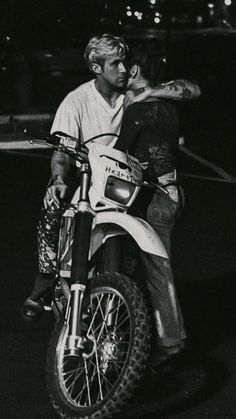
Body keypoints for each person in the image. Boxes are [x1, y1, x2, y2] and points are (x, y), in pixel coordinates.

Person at [22, 33, 201, 321]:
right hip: (87, 180)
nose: (123, 69)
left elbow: (192, 90)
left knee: (137, 255)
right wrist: (57, 177)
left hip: (122, 184)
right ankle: (45, 284)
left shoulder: (131, 94)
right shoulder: (76, 101)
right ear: (97, 68)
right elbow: (61, 151)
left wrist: (151, 93)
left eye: (125, 63)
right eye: (115, 64)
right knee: (53, 208)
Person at [115, 42, 192, 365]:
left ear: (134, 70)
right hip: (172, 192)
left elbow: (120, 150)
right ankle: (160, 336)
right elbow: (190, 90)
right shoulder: (166, 105)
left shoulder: (138, 109)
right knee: (153, 268)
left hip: (153, 196)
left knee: (156, 271)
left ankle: (170, 342)